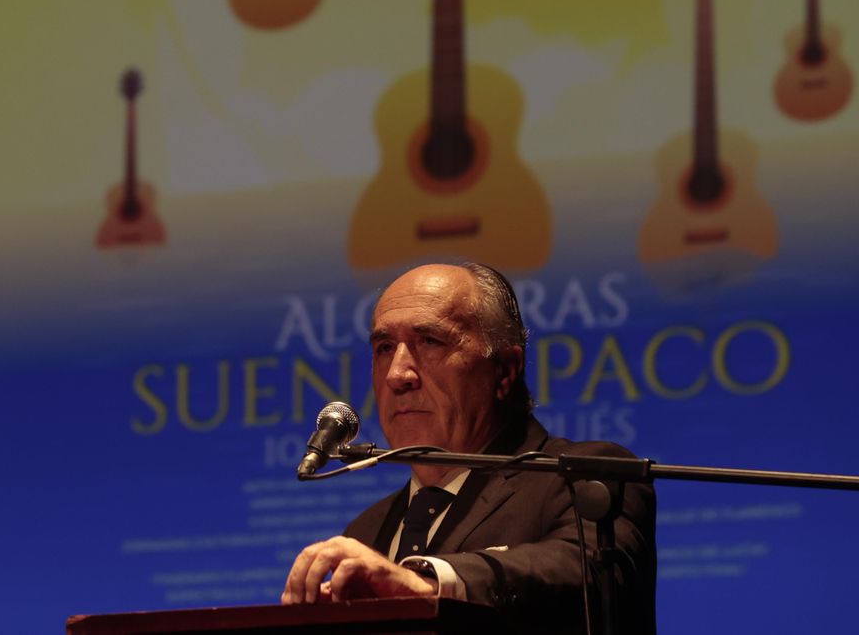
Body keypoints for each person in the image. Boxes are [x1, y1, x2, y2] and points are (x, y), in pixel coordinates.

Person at [281, 262, 655, 633]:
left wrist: (427, 582)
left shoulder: (585, 477)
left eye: (429, 341)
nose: (398, 375)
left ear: (505, 369)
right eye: (384, 347)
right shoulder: (366, 531)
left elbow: (585, 571)